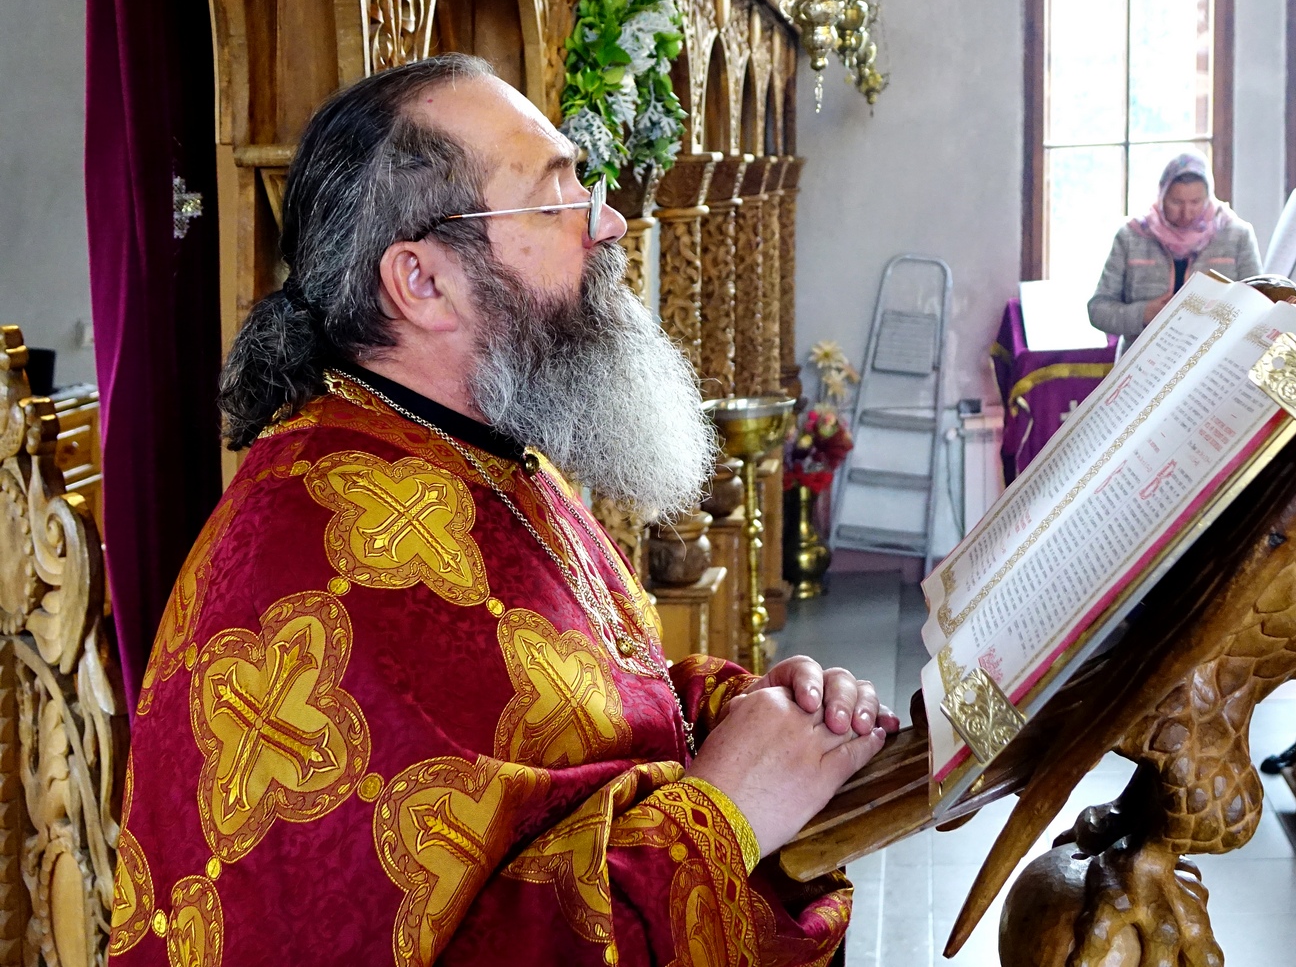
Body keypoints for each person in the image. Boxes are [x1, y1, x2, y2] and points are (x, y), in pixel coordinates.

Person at [109, 54, 895, 966]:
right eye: (557, 196)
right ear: (423, 282)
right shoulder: (311, 571)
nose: (610, 222)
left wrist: (741, 712)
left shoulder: (479, 453)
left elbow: (562, 717)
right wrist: (722, 815)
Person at [1088, 152, 1262, 345]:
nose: (1186, 213)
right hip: (1143, 359)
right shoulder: (1131, 236)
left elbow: (1256, 304)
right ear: (1162, 195)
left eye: (1196, 202)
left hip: (1212, 358)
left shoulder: (1237, 235)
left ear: (1209, 197)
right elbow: (1098, 309)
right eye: (1176, 202)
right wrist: (1143, 314)